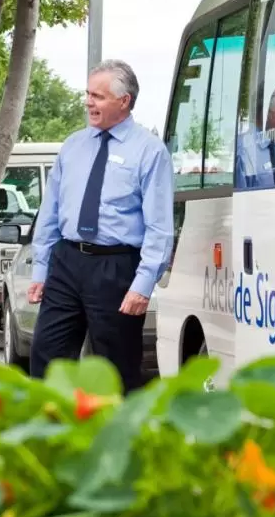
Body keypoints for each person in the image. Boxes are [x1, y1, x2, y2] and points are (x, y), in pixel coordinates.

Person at [27, 60, 173, 391]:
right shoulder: (73, 146)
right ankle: (52, 437)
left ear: (124, 101)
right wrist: (41, 270)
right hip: (67, 261)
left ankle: (116, 437)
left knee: (116, 366)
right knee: (46, 356)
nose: (88, 102)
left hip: (116, 267)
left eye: (98, 96)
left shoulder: (149, 152)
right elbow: (51, 212)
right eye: (88, 94)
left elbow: (160, 226)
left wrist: (143, 284)